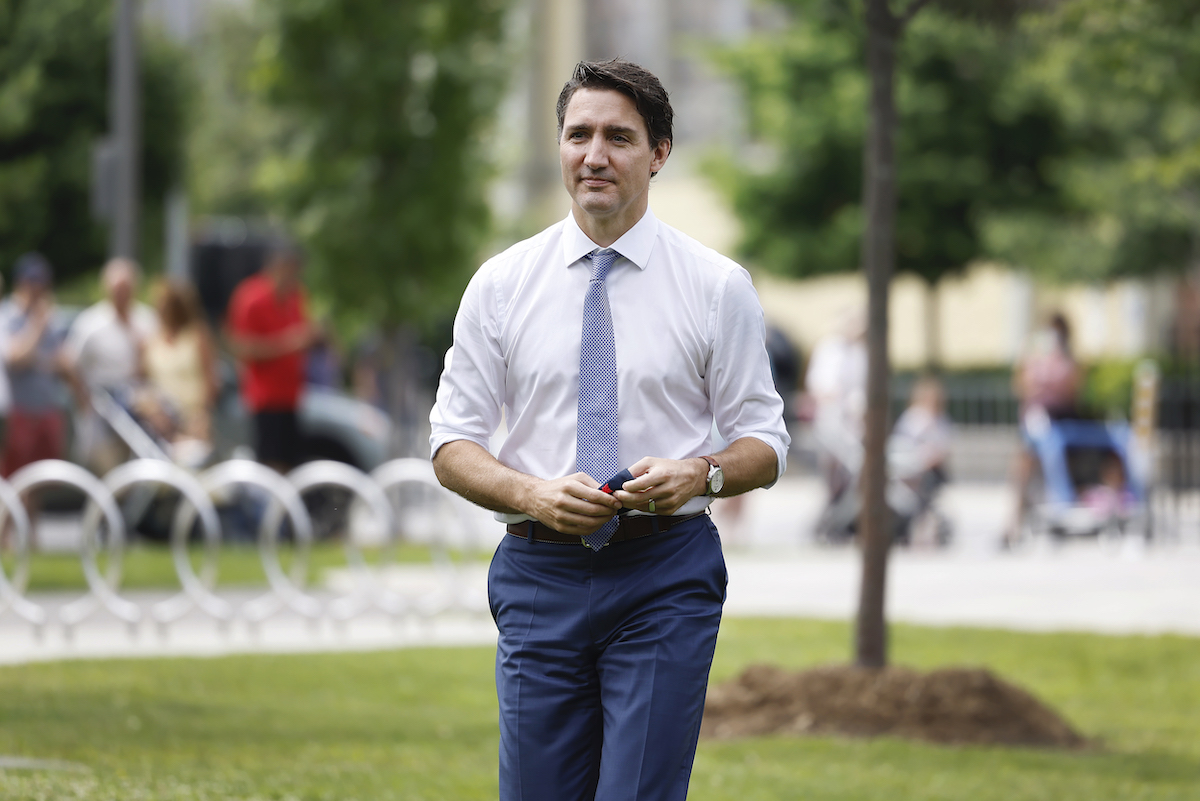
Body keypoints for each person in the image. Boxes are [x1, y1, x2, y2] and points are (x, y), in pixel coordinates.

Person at [429, 59, 789, 801]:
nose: (594, 154)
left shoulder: (716, 286)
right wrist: (532, 492)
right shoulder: (501, 284)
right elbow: (451, 443)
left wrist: (703, 472)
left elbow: (766, 440)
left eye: (618, 137)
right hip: (539, 574)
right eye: (578, 134)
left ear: (658, 153)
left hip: (665, 575)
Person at [225, 243, 315, 472]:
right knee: (270, 463)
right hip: (265, 397)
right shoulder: (250, 297)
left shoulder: (296, 296)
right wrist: (287, 344)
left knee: (291, 462)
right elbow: (241, 347)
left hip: (291, 395)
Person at [64, 257, 159, 472]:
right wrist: (83, 398)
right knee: (109, 471)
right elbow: (69, 364)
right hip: (102, 411)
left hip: (141, 412)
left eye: (126, 288)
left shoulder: (147, 319)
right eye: (117, 289)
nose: (122, 295)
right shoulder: (90, 323)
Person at [1004, 311, 1083, 546]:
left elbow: (1072, 392)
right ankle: (1014, 525)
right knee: (1025, 466)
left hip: (1060, 421)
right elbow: (1022, 386)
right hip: (1037, 421)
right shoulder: (1034, 357)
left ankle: (1057, 510)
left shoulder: (1068, 360)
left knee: (1041, 456)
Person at [0, 254, 73, 477]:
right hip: (20, 412)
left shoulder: (52, 316)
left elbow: (64, 363)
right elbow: (17, 358)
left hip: (48, 409)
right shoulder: (9, 315)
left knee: (41, 480)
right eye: (33, 281)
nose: (38, 288)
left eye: (42, 282)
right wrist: (37, 325)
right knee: (15, 480)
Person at [141, 280, 220, 463]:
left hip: (194, 419)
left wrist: (202, 416)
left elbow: (211, 380)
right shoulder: (150, 340)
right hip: (161, 422)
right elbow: (143, 382)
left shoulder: (197, 335)